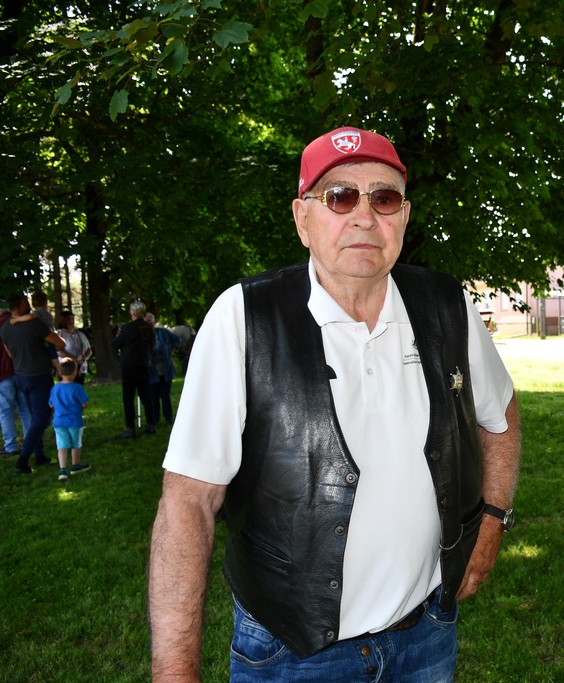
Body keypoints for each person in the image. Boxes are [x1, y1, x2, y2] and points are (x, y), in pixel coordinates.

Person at [148, 126, 521, 682]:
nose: (364, 216)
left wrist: (491, 522)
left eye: (384, 198)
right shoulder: (244, 318)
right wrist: (175, 672)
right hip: (292, 654)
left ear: (404, 216)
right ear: (303, 219)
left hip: (426, 639)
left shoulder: (447, 305)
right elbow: (189, 502)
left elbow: (501, 417)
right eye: (340, 196)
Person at [1, 292, 66, 474]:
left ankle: (40, 455)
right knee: (42, 417)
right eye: (26, 302)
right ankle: (23, 459)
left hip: (21, 376)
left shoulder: (5, 328)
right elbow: (60, 343)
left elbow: (10, 354)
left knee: (33, 415)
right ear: (21, 303)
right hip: (38, 376)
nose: (29, 304)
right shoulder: (34, 324)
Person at [112, 301, 157, 438]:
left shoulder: (127, 328)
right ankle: (151, 423)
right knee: (146, 395)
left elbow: (116, 344)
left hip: (129, 366)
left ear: (132, 313)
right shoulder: (149, 328)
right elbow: (152, 345)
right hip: (143, 364)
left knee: (128, 397)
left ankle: (130, 428)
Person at [49, 358, 90, 482]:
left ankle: (62, 470)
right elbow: (84, 404)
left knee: (61, 446)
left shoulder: (55, 388)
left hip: (59, 422)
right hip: (74, 421)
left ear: (60, 373)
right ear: (75, 372)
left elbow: (51, 404)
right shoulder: (77, 388)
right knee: (76, 444)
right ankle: (75, 466)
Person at [0, 301, 32, 456]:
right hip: (19, 369)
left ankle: (11, 446)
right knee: (24, 407)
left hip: (2, 374)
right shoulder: (13, 322)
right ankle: (31, 441)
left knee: (5, 411)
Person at [145, 312, 181, 426]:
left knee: (165, 396)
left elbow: (177, 340)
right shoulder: (142, 336)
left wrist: (171, 350)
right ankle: (155, 420)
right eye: (146, 322)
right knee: (153, 397)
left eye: (150, 321)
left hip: (165, 370)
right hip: (151, 372)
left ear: (154, 322)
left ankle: (169, 418)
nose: (149, 324)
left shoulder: (162, 333)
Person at [55, 310, 93, 385]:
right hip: (67, 369)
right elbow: (59, 351)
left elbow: (89, 349)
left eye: (72, 319)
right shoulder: (60, 334)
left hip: (81, 368)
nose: (71, 321)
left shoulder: (80, 334)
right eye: (69, 319)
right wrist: (74, 359)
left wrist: (83, 357)